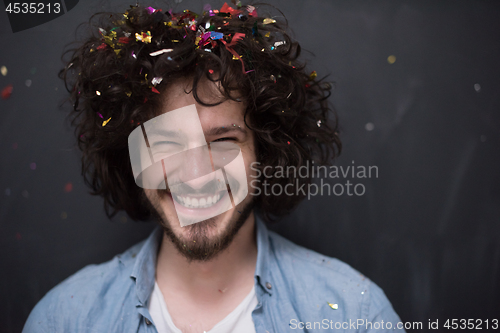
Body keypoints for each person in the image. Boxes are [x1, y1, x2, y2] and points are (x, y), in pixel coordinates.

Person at [23, 3, 405, 332]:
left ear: (265, 154)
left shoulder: (357, 315)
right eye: (165, 144)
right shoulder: (65, 320)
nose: (196, 172)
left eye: (223, 141)